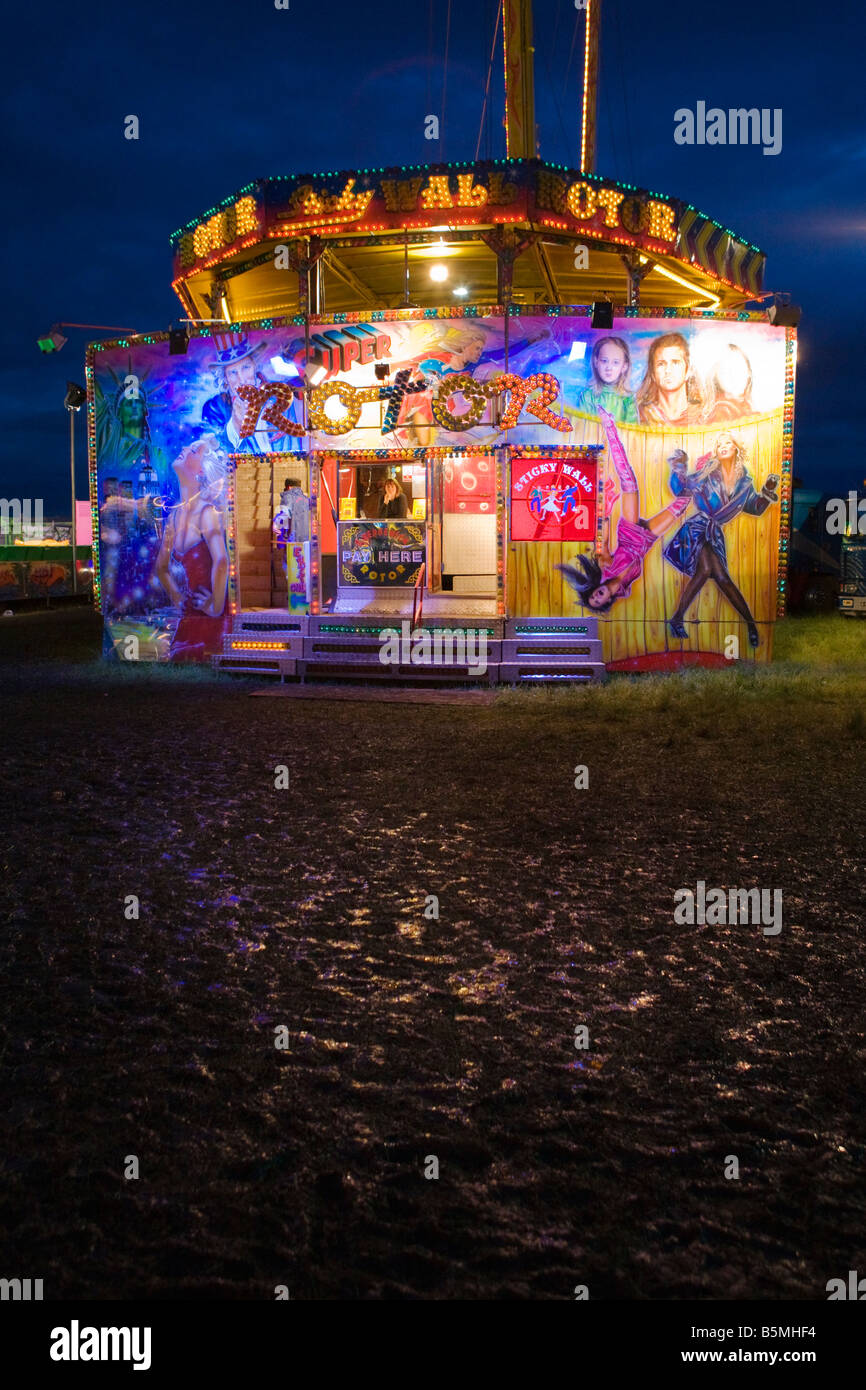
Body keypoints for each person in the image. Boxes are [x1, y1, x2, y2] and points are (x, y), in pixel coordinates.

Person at [557, 408, 691, 611]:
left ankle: (609, 425)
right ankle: (679, 470)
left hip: (629, 533)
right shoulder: (624, 590)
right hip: (645, 541)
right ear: (606, 602)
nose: (595, 596)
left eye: (592, 596)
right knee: (683, 503)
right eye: (597, 601)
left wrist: (606, 512)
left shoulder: (605, 568)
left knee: (628, 481)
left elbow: (602, 541)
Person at [664, 432, 778, 647]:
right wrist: (678, 467)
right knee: (717, 575)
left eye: (727, 443)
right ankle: (751, 625)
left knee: (712, 574)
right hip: (697, 530)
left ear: (736, 448)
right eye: (719, 445)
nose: (723, 446)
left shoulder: (745, 482)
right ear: (716, 451)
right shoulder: (708, 473)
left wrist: (766, 494)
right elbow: (681, 489)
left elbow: (753, 507)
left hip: (714, 533)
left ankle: (677, 618)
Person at [155, 434, 230, 661]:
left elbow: (222, 560)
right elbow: (161, 568)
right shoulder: (175, 517)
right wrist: (177, 597)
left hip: (210, 620)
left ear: (201, 473)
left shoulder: (206, 513)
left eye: (194, 450)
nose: (185, 448)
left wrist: (216, 606)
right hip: (191, 614)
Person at [635, 332, 703, 426]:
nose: (668, 370)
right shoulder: (640, 416)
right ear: (653, 374)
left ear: (688, 371)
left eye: (675, 363)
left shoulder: (702, 416)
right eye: (661, 364)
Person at [576, 336, 639, 423]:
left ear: (624, 366)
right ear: (596, 362)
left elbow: (631, 431)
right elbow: (582, 426)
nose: (609, 367)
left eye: (615, 362)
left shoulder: (628, 399)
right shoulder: (588, 395)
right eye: (604, 361)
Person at [700, 343, 755, 423]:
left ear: (748, 372)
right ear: (716, 379)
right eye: (724, 372)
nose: (733, 376)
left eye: (739, 368)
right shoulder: (721, 413)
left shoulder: (747, 406)